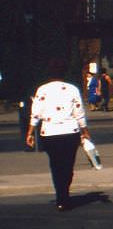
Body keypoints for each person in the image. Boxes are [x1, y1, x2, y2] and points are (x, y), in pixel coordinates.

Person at [25, 58, 92, 211]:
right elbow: (79, 112)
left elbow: (35, 114)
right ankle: (65, 193)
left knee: (55, 165)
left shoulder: (42, 90)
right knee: (68, 165)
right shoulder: (72, 89)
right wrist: (85, 131)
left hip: (49, 132)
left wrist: (29, 133)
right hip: (70, 132)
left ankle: (60, 197)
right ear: (64, 73)